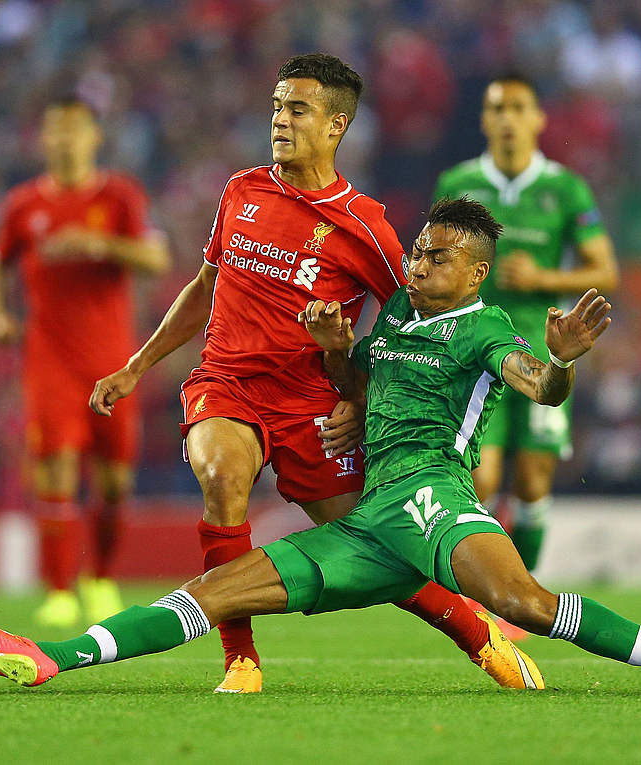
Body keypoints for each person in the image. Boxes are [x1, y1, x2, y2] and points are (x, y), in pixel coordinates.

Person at [0, 198, 641, 698]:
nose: (418, 264)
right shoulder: (398, 321)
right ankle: (49, 656)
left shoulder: (484, 327)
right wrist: (338, 351)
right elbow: (357, 380)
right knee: (213, 592)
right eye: (417, 252)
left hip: (435, 498)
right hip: (373, 520)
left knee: (525, 603)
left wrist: (561, 361)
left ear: (476, 273)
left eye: (438, 257)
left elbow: (538, 386)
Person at [89, 53, 536, 693]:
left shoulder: (365, 225)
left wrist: (361, 397)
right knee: (222, 476)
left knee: (379, 542)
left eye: (297, 109)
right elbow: (206, 286)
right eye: (277, 106)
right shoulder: (242, 190)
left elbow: (414, 320)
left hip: (312, 405)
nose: (280, 120)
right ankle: (240, 659)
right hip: (226, 383)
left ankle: (475, 632)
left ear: (335, 126)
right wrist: (137, 365)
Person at [0, 97, 169, 627]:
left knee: (115, 483)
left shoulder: (120, 196)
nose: (65, 139)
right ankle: (60, 590)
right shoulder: (23, 204)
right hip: (50, 360)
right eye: (55, 130)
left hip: (112, 359)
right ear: (43, 139)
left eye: (74, 129)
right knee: (56, 469)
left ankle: (101, 578)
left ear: (94, 137)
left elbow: (156, 258)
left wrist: (98, 244)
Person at [433, 74, 619, 581]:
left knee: (534, 483)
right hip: (475, 352)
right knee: (481, 480)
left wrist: (544, 278)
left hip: (543, 351)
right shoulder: (456, 184)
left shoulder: (565, 188)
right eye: (498, 108)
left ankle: (524, 590)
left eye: (518, 107)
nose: (508, 118)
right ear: (484, 120)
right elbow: (431, 261)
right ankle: (486, 592)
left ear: (538, 119)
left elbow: (605, 271)